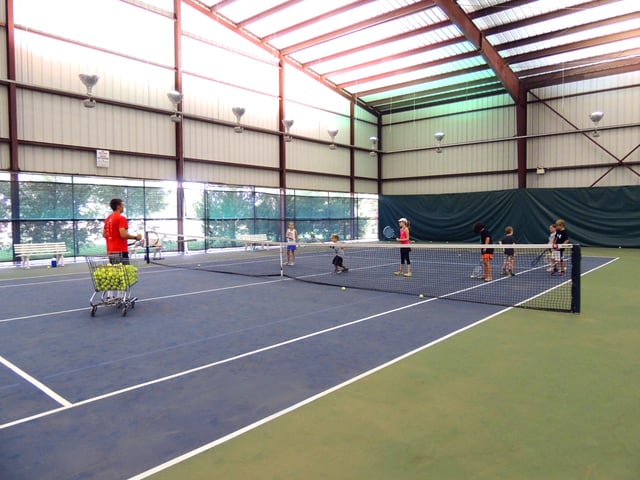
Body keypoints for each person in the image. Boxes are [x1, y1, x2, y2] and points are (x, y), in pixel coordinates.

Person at [103, 198, 142, 264]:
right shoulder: (121, 218)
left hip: (111, 251)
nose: (123, 207)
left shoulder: (108, 219)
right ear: (119, 206)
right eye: (122, 205)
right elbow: (123, 234)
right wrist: (136, 237)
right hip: (121, 251)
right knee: (125, 273)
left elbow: (104, 235)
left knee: (116, 273)